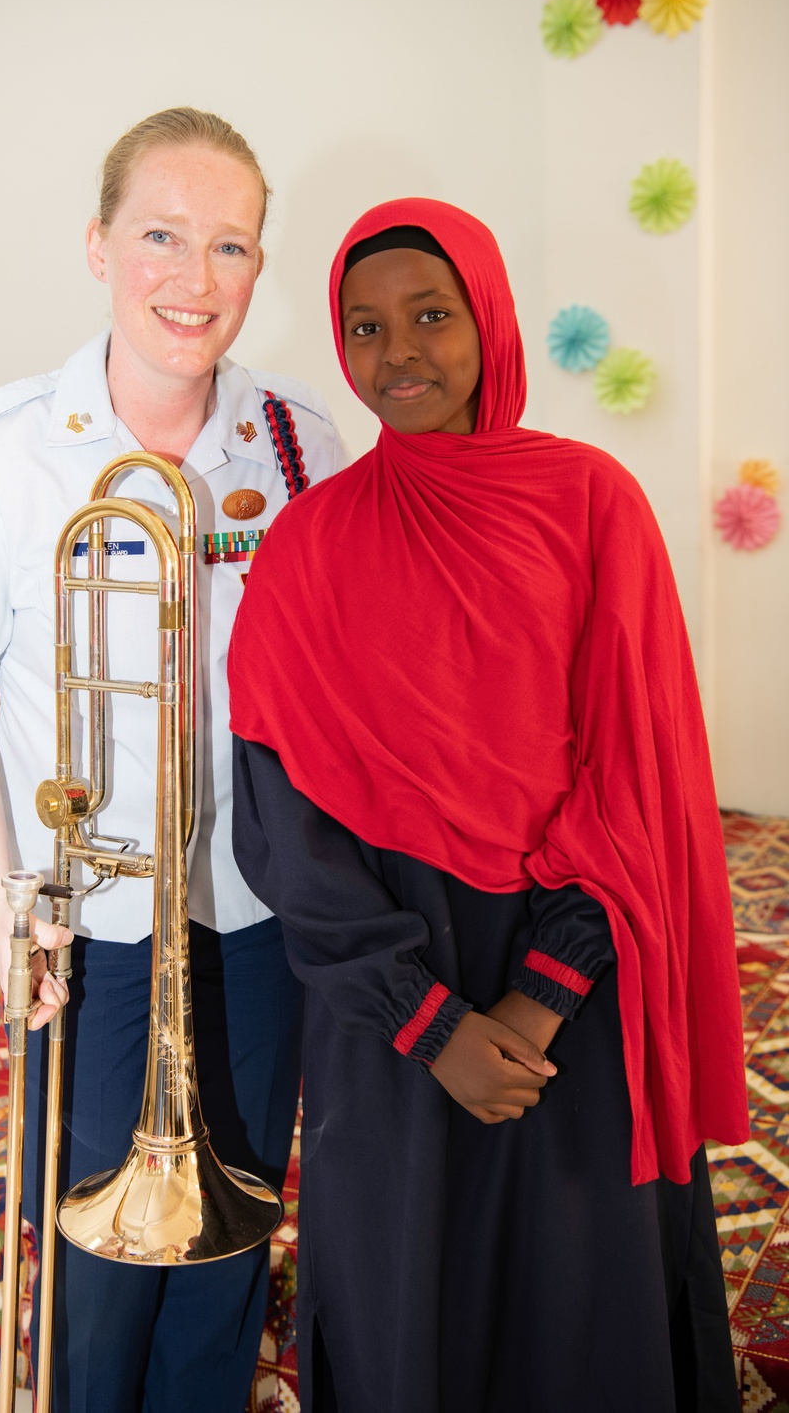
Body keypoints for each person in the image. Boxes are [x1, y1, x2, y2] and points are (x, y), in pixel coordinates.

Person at [227, 199, 748, 1413]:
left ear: (489, 320)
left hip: (573, 975)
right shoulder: (306, 545)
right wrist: (422, 1019)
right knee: (404, 1296)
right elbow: (281, 816)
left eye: (430, 315)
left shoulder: (586, 501)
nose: (398, 352)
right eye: (365, 326)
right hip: (386, 1009)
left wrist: (541, 992)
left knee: (579, 1302)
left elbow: (639, 771)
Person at [0, 107, 343, 1413]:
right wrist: (3, 908)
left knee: (229, 1223)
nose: (196, 280)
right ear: (98, 246)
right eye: (162, 237)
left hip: (254, 916)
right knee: (98, 1251)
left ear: (260, 264)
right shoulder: (12, 450)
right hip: (90, 926)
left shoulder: (301, 448)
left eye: (231, 244)